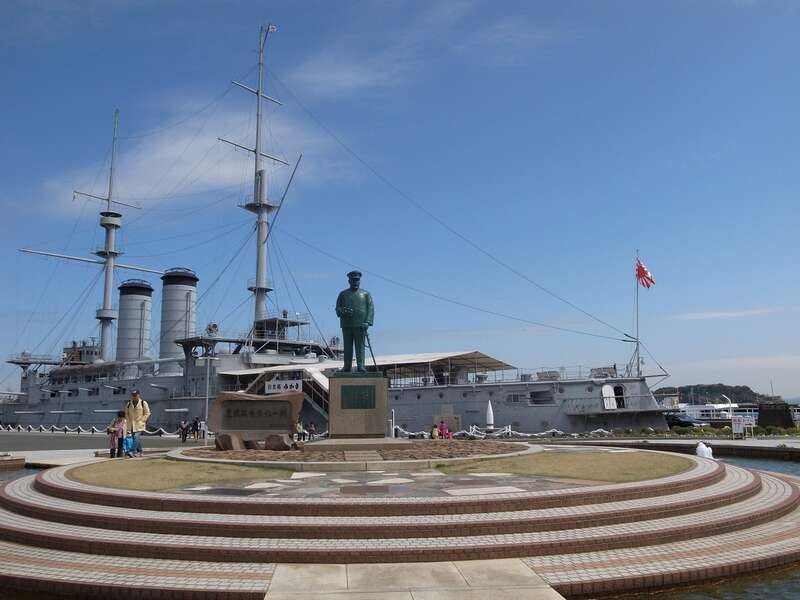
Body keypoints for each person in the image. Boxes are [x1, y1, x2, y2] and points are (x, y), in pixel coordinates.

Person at [125, 390, 150, 458]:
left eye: (135, 395)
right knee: (135, 439)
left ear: (138, 395)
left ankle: (132, 451)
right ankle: (140, 451)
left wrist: (142, 420)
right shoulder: (129, 404)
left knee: (136, 437)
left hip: (140, 424)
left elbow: (147, 413)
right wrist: (128, 421)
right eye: (133, 395)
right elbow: (126, 413)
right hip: (132, 424)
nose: (134, 397)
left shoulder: (143, 403)